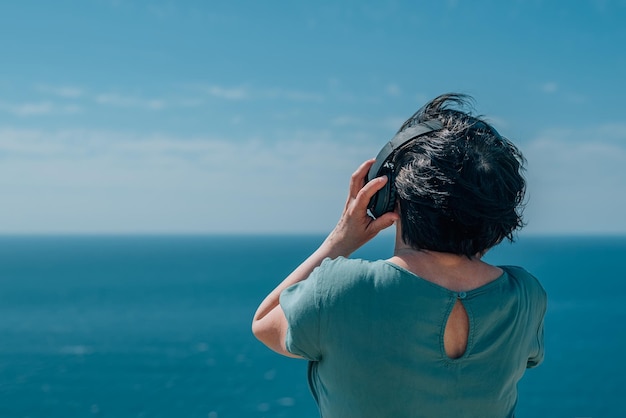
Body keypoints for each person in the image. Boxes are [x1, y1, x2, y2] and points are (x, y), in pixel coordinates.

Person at [252, 93, 546, 418]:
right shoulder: (525, 296)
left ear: (388, 196)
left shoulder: (342, 291)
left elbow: (264, 322)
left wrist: (340, 240)